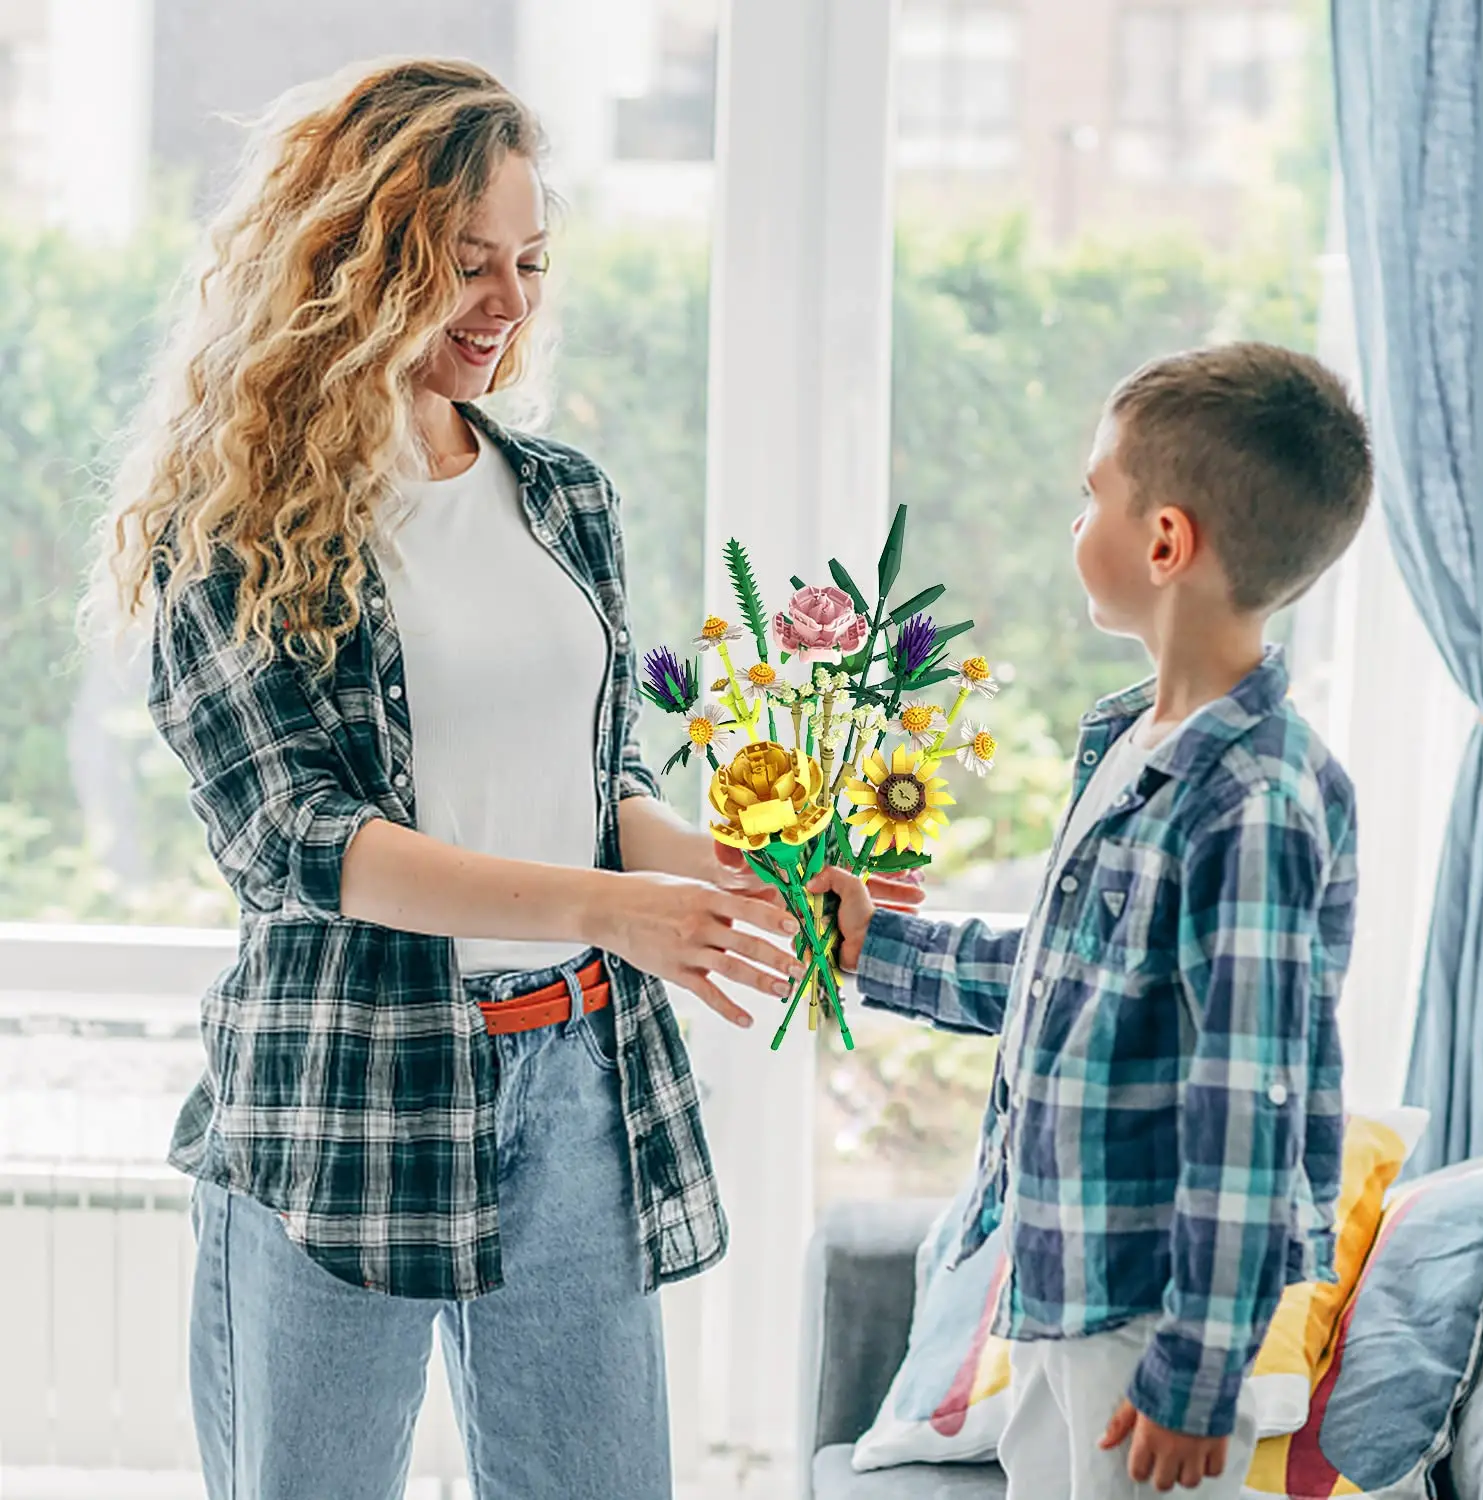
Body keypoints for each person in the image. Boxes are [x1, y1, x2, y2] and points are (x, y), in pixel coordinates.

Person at [96, 57, 916, 1500]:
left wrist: (743, 873)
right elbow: (304, 839)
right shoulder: (231, 524)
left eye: (530, 263)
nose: (509, 303)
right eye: (463, 263)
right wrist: (608, 907)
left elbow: (606, 783)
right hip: (348, 1093)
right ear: (355, 254)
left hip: (577, 1079)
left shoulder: (561, 494)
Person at [811, 342, 1371, 1498]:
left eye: (1092, 495)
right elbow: (1074, 982)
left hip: (1153, 1322)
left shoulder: (1255, 802)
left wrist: (1201, 1370)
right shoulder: (1134, 747)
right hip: (1066, 1284)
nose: (1077, 523)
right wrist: (884, 949)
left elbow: (1248, 1103)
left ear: (1164, 541)